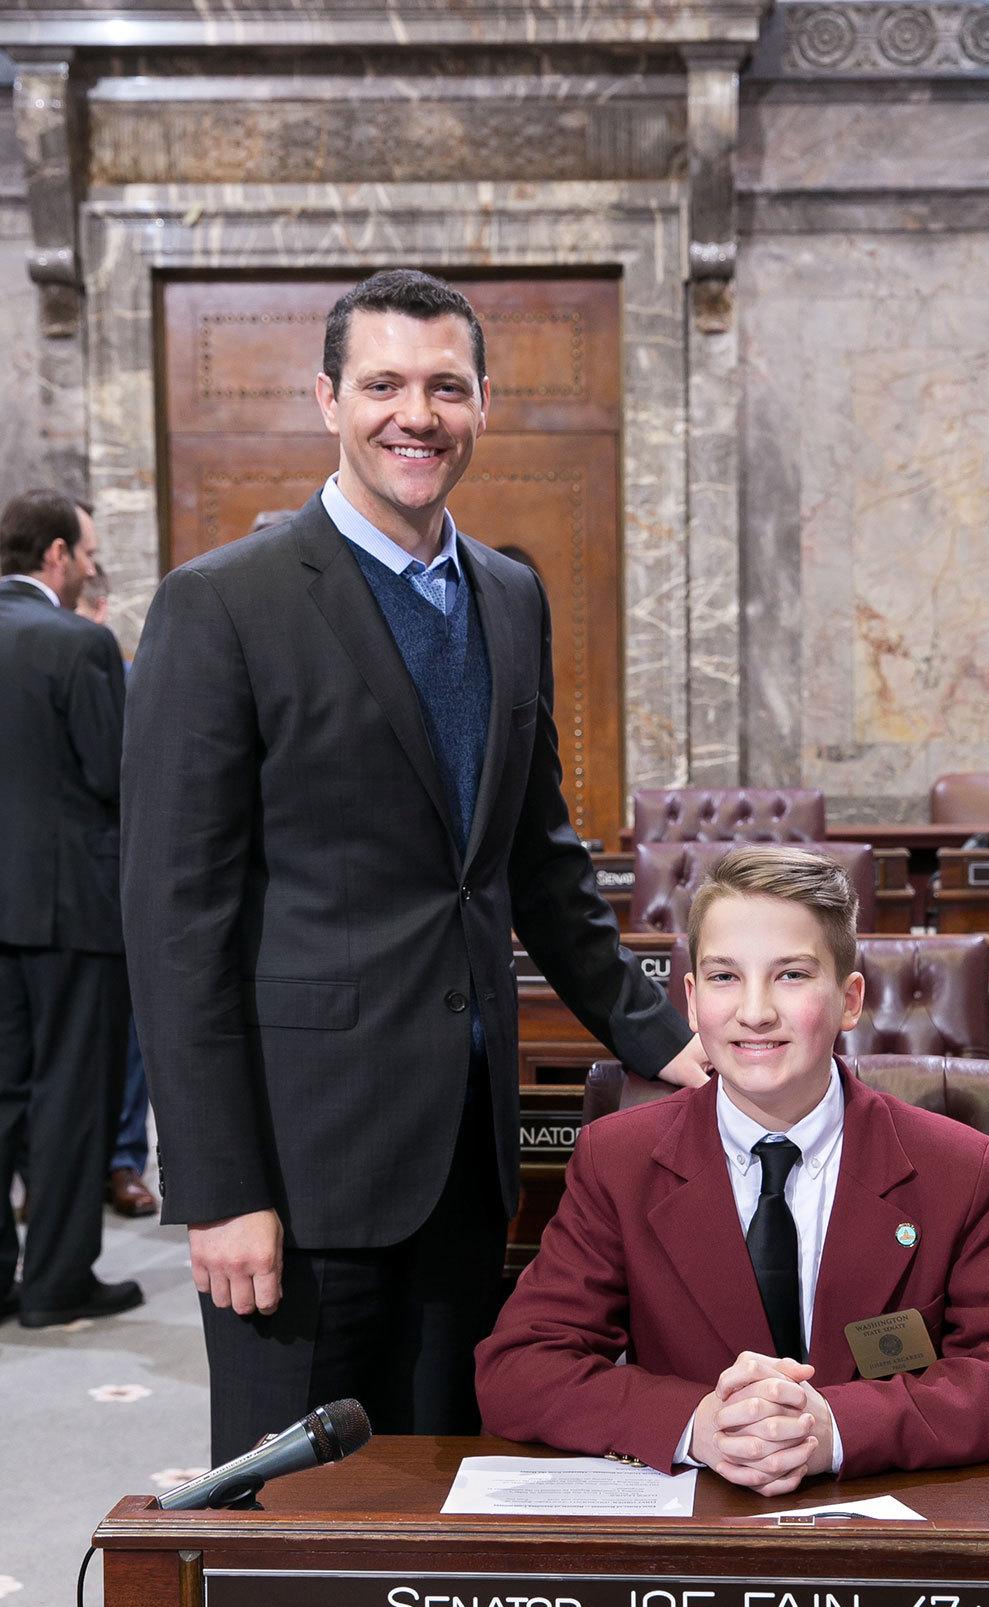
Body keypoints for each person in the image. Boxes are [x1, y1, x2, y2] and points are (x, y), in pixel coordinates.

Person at [121, 269, 702, 1464]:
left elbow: (535, 863)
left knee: (445, 1491)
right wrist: (221, 1186)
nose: (415, 415)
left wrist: (661, 1038)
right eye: (382, 384)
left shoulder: (507, 595)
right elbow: (174, 921)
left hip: (463, 1155)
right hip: (298, 1163)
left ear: (483, 402)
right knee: (298, 1523)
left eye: (444, 386)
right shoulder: (221, 605)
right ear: (327, 398)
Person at [476, 846, 989, 1492]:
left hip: (878, 1534)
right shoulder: (618, 1161)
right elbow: (518, 1369)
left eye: (791, 975)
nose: (756, 1012)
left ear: (850, 1000)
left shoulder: (955, 1169)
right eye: (724, 977)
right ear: (690, 1000)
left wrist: (837, 1427)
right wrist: (698, 1423)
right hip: (697, 1542)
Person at [0, 491, 142, 1326]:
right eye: (87, 552)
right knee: (70, 1096)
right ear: (56, 555)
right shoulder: (79, 644)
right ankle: (55, 1283)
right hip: (69, 912)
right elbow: (115, 776)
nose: (92, 566)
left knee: (3, 1095)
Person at [75, 566, 159, 1220]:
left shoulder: (127, 679)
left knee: (130, 1036)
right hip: (52, 886)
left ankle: (123, 1160)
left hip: (114, 878)